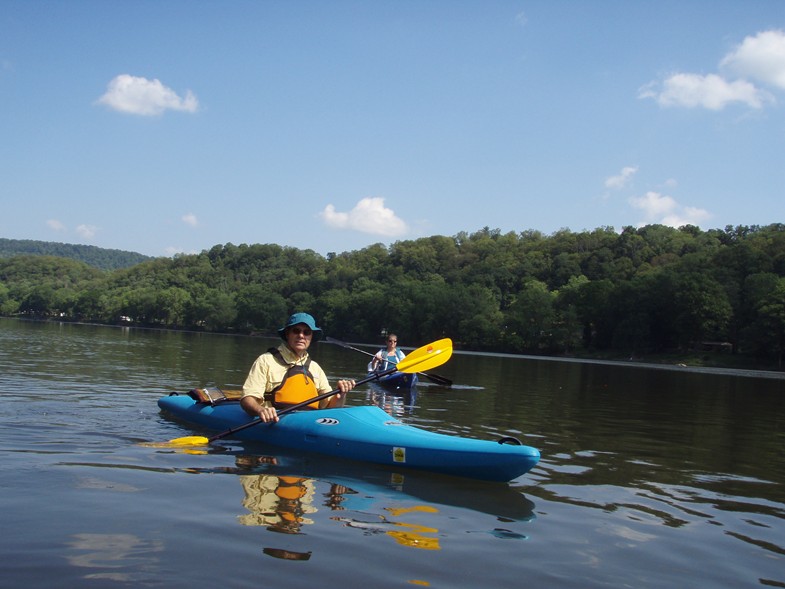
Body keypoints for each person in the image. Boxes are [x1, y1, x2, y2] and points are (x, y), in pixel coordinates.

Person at [241, 312, 355, 423]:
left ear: (311, 337)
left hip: (308, 423)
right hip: (275, 420)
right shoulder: (266, 360)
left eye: (306, 332)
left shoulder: (315, 368)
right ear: (287, 334)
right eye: (296, 331)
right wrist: (261, 410)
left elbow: (331, 408)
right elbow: (248, 399)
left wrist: (341, 394)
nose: (301, 335)